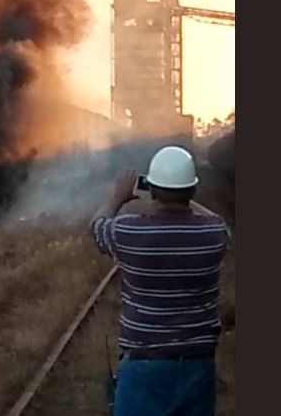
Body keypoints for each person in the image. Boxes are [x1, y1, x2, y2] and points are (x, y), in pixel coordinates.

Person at [90, 146, 230, 416]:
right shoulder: (214, 234)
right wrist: (185, 197)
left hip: (143, 367)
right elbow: (215, 220)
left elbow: (97, 224)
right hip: (197, 367)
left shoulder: (128, 232)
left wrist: (117, 197)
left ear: (151, 191)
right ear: (193, 190)